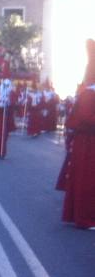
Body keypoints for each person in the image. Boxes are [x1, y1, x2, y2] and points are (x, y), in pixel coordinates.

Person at [61, 40, 95, 229]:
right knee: (88, 181)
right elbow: (85, 118)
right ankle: (85, 217)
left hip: (89, 141)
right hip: (88, 142)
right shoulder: (90, 94)